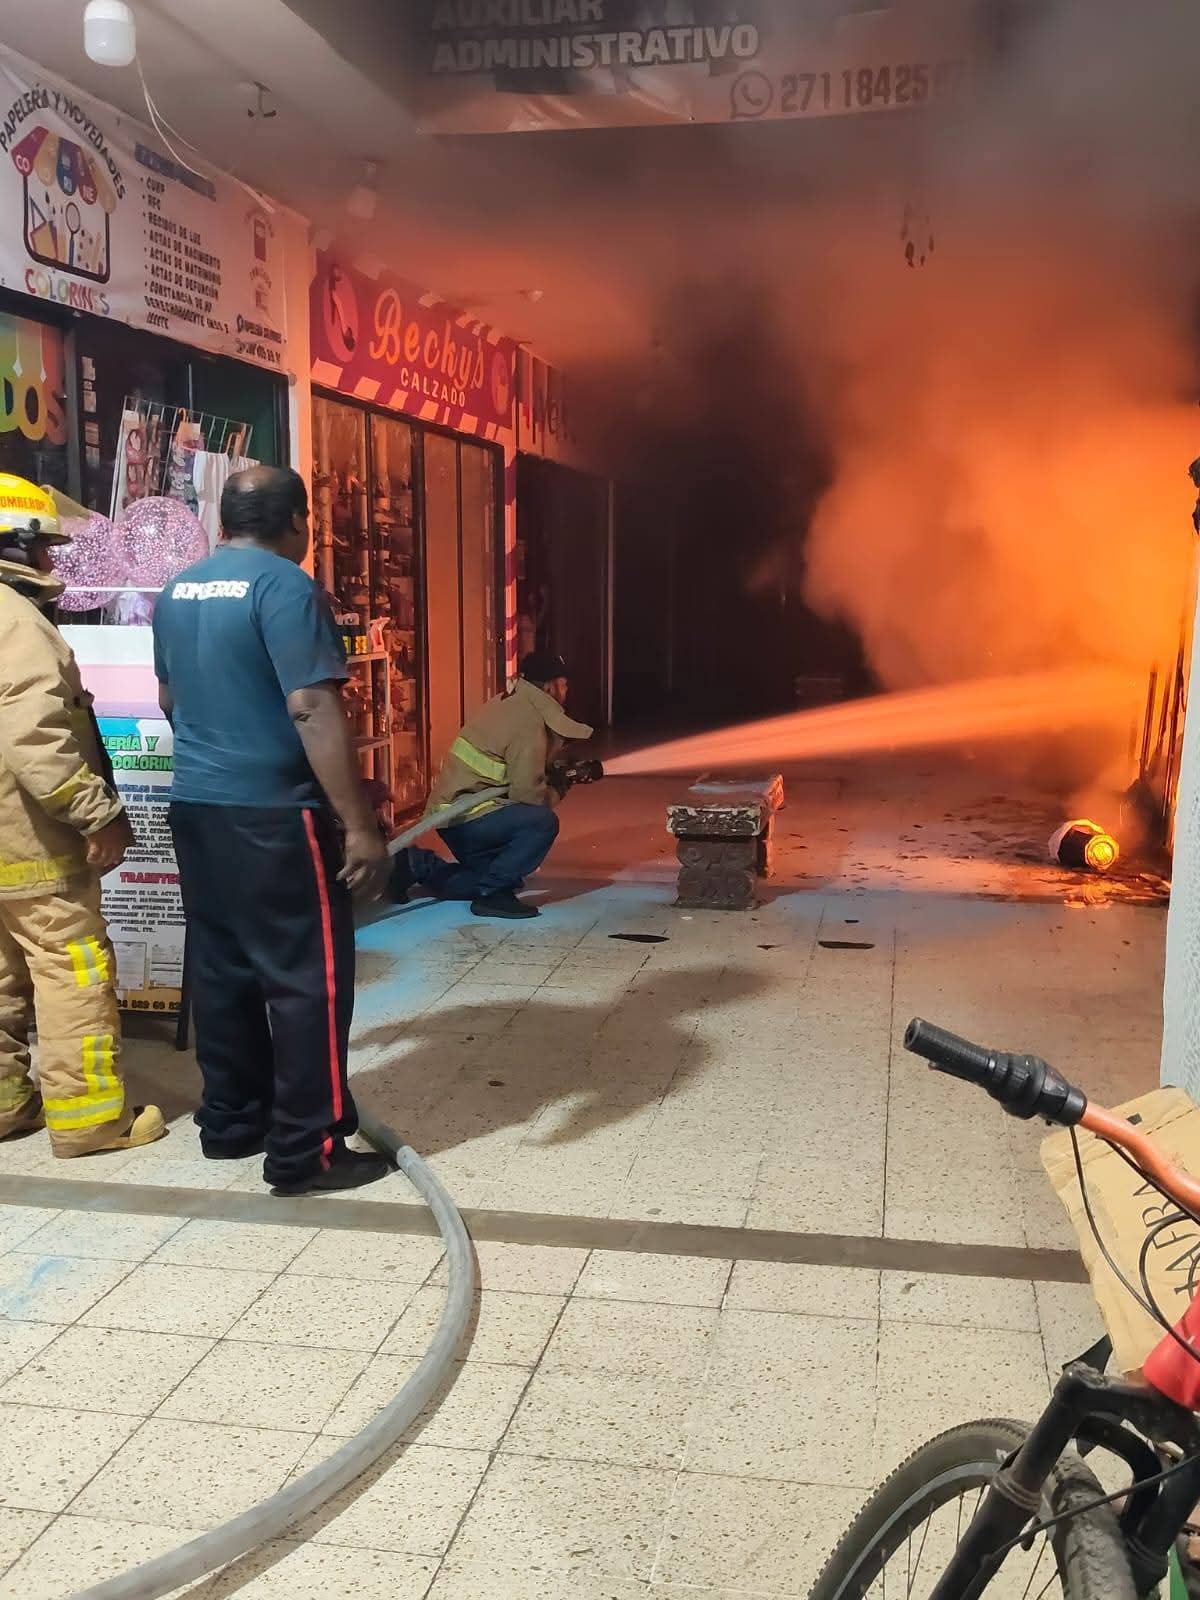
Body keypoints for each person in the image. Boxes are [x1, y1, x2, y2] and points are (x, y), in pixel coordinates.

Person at [152, 465, 391, 1196]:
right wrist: (359, 825)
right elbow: (311, 708)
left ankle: (231, 1123)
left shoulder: (178, 589)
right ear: (296, 520)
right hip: (273, 814)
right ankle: (306, 1149)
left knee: (222, 970)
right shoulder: (285, 586)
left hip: (198, 807)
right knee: (306, 980)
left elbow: (170, 697)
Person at [0, 474, 165, 1155]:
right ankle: (91, 1122)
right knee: (72, 968)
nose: (51, 566)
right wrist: (98, 815)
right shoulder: (15, 621)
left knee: (2, 975)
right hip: (30, 842)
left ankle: (8, 1107)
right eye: (44, 551)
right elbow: (33, 736)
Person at [394, 650, 593, 920]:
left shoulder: (510, 702)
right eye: (565, 684)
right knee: (542, 823)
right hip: (470, 818)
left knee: (490, 878)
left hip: (456, 816)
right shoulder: (528, 720)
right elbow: (528, 795)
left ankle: (415, 865)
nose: (566, 691)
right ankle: (491, 897)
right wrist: (560, 786)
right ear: (550, 687)